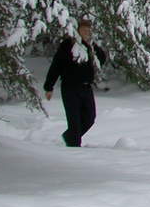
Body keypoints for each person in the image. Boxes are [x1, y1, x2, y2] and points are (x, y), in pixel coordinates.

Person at [43, 18, 107, 147]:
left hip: (86, 88)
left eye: (88, 30)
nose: (86, 32)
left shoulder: (90, 46)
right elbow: (56, 65)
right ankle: (74, 147)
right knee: (74, 121)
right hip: (70, 88)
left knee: (89, 118)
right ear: (77, 30)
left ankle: (69, 137)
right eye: (83, 29)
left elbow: (102, 59)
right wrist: (49, 86)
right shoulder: (68, 44)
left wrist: (93, 46)